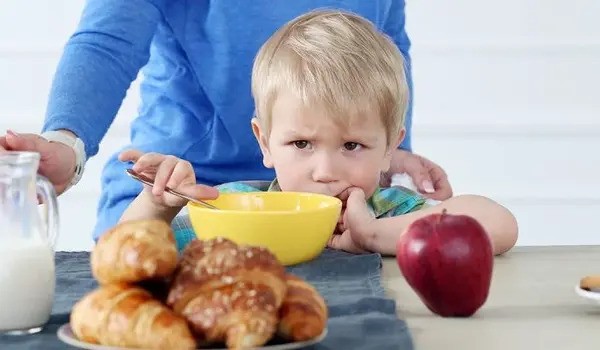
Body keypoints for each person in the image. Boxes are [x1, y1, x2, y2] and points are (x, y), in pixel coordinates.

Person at [0, 1, 453, 241]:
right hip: (190, 193)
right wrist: (67, 140)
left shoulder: (382, 210)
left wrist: (391, 151)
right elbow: (107, 43)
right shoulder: (179, 206)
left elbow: (388, 45)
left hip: (344, 214)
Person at [118, 10, 518, 256]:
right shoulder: (238, 210)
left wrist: (374, 235)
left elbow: (498, 224)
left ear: (389, 150)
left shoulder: (393, 212)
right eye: (302, 143)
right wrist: (158, 207)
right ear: (265, 142)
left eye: (352, 145)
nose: (325, 170)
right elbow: (126, 252)